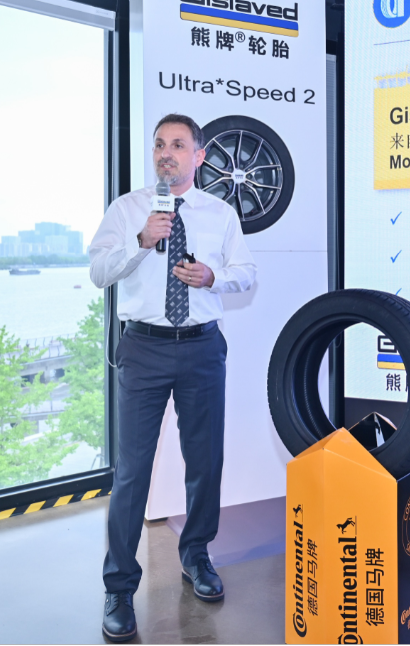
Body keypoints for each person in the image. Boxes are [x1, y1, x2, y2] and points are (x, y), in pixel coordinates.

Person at [89, 113, 256, 643]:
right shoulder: (128, 209)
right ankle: (119, 587)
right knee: (132, 472)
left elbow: (247, 274)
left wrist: (212, 276)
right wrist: (141, 240)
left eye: (178, 145)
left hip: (202, 347)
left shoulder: (220, 213)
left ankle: (197, 555)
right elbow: (98, 272)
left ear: (198, 156)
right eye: (160, 144)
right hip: (144, 350)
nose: (166, 152)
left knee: (204, 461)